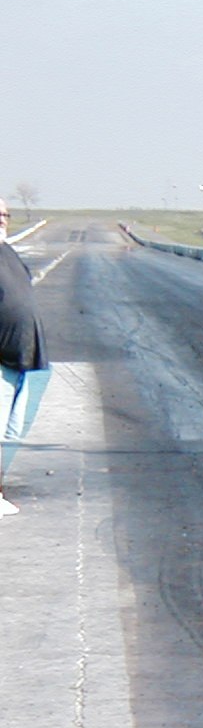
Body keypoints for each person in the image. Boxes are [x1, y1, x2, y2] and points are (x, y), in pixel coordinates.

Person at [0, 199, 51, 517]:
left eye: (4, 214)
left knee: (15, 432)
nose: (1, 219)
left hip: (31, 358)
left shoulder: (8, 253)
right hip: (4, 359)